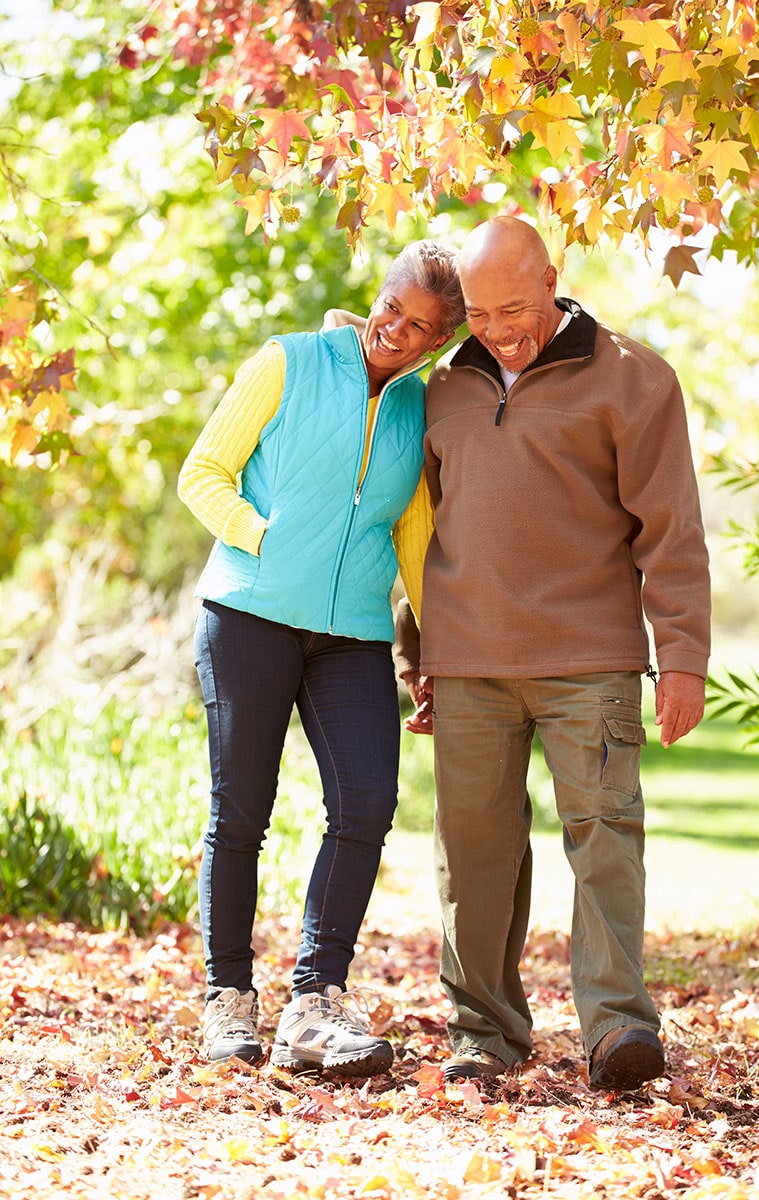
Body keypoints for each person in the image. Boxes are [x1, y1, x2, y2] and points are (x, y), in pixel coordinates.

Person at [394, 215, 710, 1091]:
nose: (500, 329)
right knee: (474, 849)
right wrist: (411, 657)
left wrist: (682, 655)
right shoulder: (440, 388)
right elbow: (415, 533)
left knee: (605, 836)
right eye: (482, 314)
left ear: (552, 279)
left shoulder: (634, 377)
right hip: (467, 662)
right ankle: (484, 1032)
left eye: (514, 307)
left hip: (589, 658)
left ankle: (616, 1028)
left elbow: (672, 530)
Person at [178, 240, 464, 1075]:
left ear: (438, 341)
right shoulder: (288, 362)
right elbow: (205, 473)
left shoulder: (417, 408)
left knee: (368, 801)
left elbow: (414, 535)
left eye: (418, 329)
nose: (395, 332)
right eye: (391, 310)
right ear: (375, 298)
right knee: (241, 811)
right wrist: (265, 538)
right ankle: (227, 997)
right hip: (249, 614)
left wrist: (433, 650)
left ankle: (315, 1002)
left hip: (352, 637)